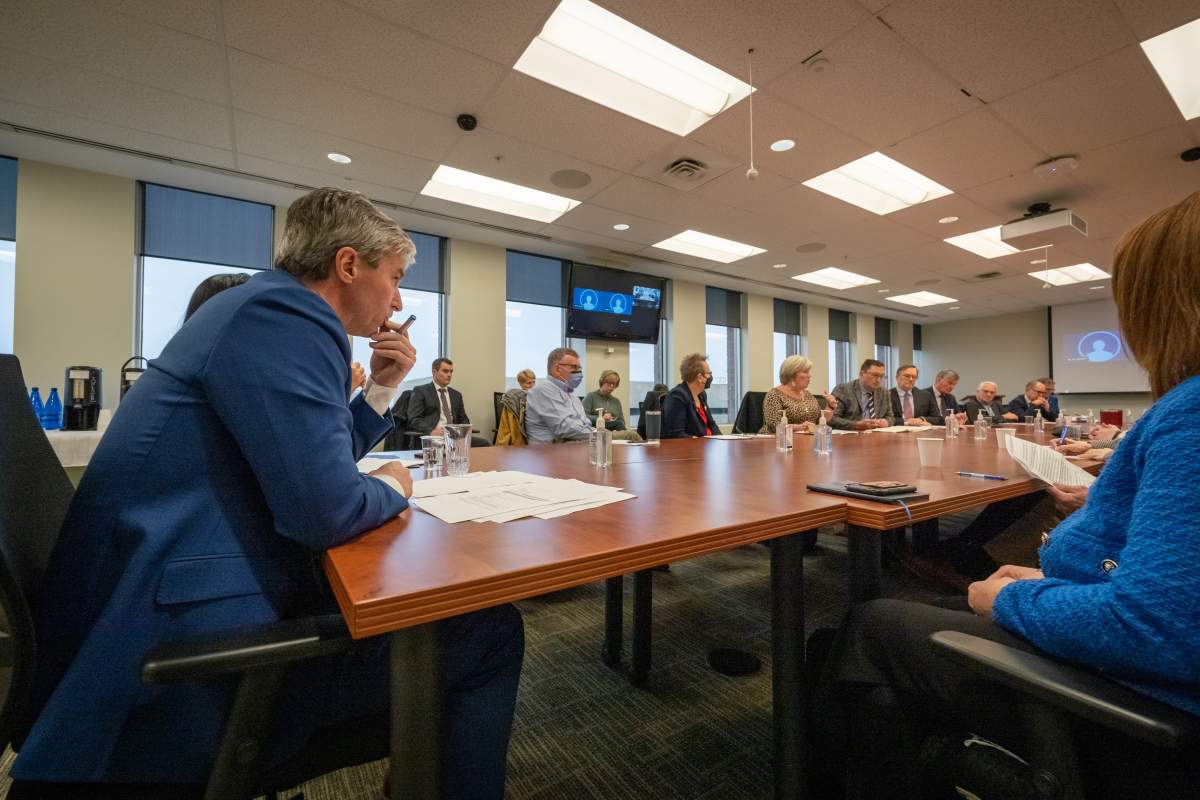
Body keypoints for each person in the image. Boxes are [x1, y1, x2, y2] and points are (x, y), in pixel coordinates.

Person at [12, 188, 524, 798]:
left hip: (163, 604)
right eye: (394, 277)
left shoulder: (259, 308)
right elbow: (327, 511)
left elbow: (309, 460)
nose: (399, 300)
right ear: (348, 265)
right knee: (488, 632)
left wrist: (381, 391)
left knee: (427, 609)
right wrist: (394, 481)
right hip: (191, 656)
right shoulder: (289, 318)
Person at [809, 191, 1200, 799]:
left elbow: (1161, 627)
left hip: (1143, 710)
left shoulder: (1191, 413)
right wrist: (1046, 588)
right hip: (1136, 664)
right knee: (912, 610)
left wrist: (1015, 602)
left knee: (866, 626)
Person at [525, 347, 593, 444]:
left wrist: (601, 434)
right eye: (574, 367)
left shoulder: (572, 396)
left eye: (579, 368)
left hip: (571, 447)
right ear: (557, 369)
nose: (579, 372)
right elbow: (564, 428)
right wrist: (602, 435)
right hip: (547, 453)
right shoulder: (542, 389)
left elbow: (585, 423)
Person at [760, 355, 837, 433]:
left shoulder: (808, 395)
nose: (810, 375)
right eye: (805, 372)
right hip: (776, 440)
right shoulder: (774, 394)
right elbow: (774, 425)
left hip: (804, 440)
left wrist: (830, 406)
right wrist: (799, 427)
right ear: (791, 374)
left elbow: (820, 421)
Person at [661, 353, 723, 438]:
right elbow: (676, 434)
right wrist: (697, 441)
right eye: (709, 373)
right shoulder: (677, 396)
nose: (710, 377)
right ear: (700, 377)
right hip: (690, 449)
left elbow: (711, 424)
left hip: (708, 445)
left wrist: (722, 439)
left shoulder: (701, 395)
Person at [407, 357, 468, 436]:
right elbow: (414, 420)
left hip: (454, 436)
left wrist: (463, 430)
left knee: (483, 443)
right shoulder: (421, 391)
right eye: (445, 371)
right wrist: (431, 431)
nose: (449, 375)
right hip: (434, 436)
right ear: (434, 372)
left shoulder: (456, 395)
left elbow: (463, 419)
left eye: (451, 371)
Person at [830, 359, 895, 430]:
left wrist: (886, 422)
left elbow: (890, 416)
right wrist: (855, 425)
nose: (878, 380)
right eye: (875, 375)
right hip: (850, 435)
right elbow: (831, 419)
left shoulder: (884, 392)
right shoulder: (843, 389)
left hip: (876, 435)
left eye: (882, 376)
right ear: (861, 374)